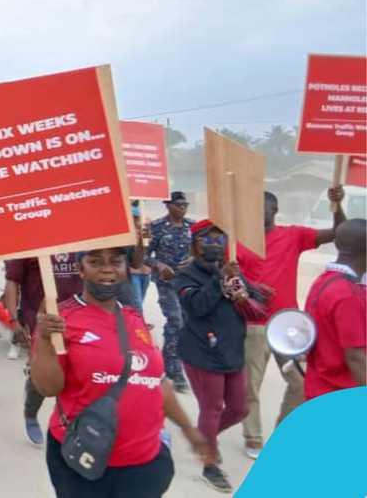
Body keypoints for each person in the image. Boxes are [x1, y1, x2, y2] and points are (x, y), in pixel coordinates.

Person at [31, 247, 211, 498]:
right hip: (86, 462)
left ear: (126, 270)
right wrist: (44, 340)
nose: (107, 269)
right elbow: (48, 388)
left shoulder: (134, 318)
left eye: (116, 262)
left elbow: (156, 382)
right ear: (80, 270)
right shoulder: (60, 320)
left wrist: (189, 429)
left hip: (145, 464)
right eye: (95, 262)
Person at [236, 187, 345, 459]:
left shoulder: (293, 235)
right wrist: (249, 288)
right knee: (251, 385)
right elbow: (228, 279)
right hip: (253, 326)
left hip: (288, 324)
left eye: (262, 209)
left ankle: (282, 431)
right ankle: (253, 438)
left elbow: (339, 233)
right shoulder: (238, 241)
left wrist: (338, 205)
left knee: (300, 381)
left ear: (274, 210)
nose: (256, 213)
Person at [175, 220, 267, 493]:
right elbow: (197, 306)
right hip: (202, 352)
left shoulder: (230, 269)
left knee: (239, 409)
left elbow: (257, 299)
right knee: (212, 408)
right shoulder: (186, 275)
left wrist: (247, 292)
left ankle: (202, 438)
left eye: (220, 239)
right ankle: (210, 465)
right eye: (207, 239)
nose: (215, 244)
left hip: (232, 349)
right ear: (195, 244)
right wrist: (219, 280)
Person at [3, 253, 83, 447]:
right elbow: (12, 282)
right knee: (41, 369)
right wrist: (13, 320)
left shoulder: (80, 242)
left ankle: (68, 421)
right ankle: (31, 412)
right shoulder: (30, 244)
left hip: (78, 316)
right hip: (40, 319)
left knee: (75, 370)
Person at [303, 218, 366, 400]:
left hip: (320, 389)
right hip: (341, 395)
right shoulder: (347, 295)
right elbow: (355, 357)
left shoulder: (325, 280)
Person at [147, 190, 196, 392]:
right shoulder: (157, 227)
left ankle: (172, 360)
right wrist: (158, 265)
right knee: (176, 320)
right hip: (167, 283)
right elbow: (143, 256)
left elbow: (201, 251)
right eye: (178, 205)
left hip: (189, 282)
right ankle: (174, 370)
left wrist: (193, 259)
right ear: (168, 205)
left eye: (185, 205)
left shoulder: (193, 227)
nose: (182, 208)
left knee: (186, 322)